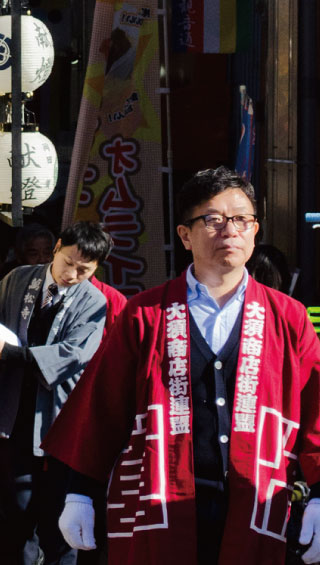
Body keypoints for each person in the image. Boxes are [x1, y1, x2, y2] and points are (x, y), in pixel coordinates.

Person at [47, 167, 320, 565]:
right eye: (213, 219)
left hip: (257, 498)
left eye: (241, 219)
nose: (230, 230)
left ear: (255, 230)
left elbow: (316, 408)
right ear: (185, 234)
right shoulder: (146, 314)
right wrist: (79, 493)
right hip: (161, 495)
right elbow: (100, 408)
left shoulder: (288, 317)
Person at [0, 221, 111, 565]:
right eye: (68, 263)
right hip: (13, 411)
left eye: (85, 270)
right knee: (16, 510)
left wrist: (8, 353)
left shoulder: (94, 301)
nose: (73, 274)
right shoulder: (19, 279)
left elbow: (74, 355)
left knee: (57, 515)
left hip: (59, 416)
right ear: (57, 247)